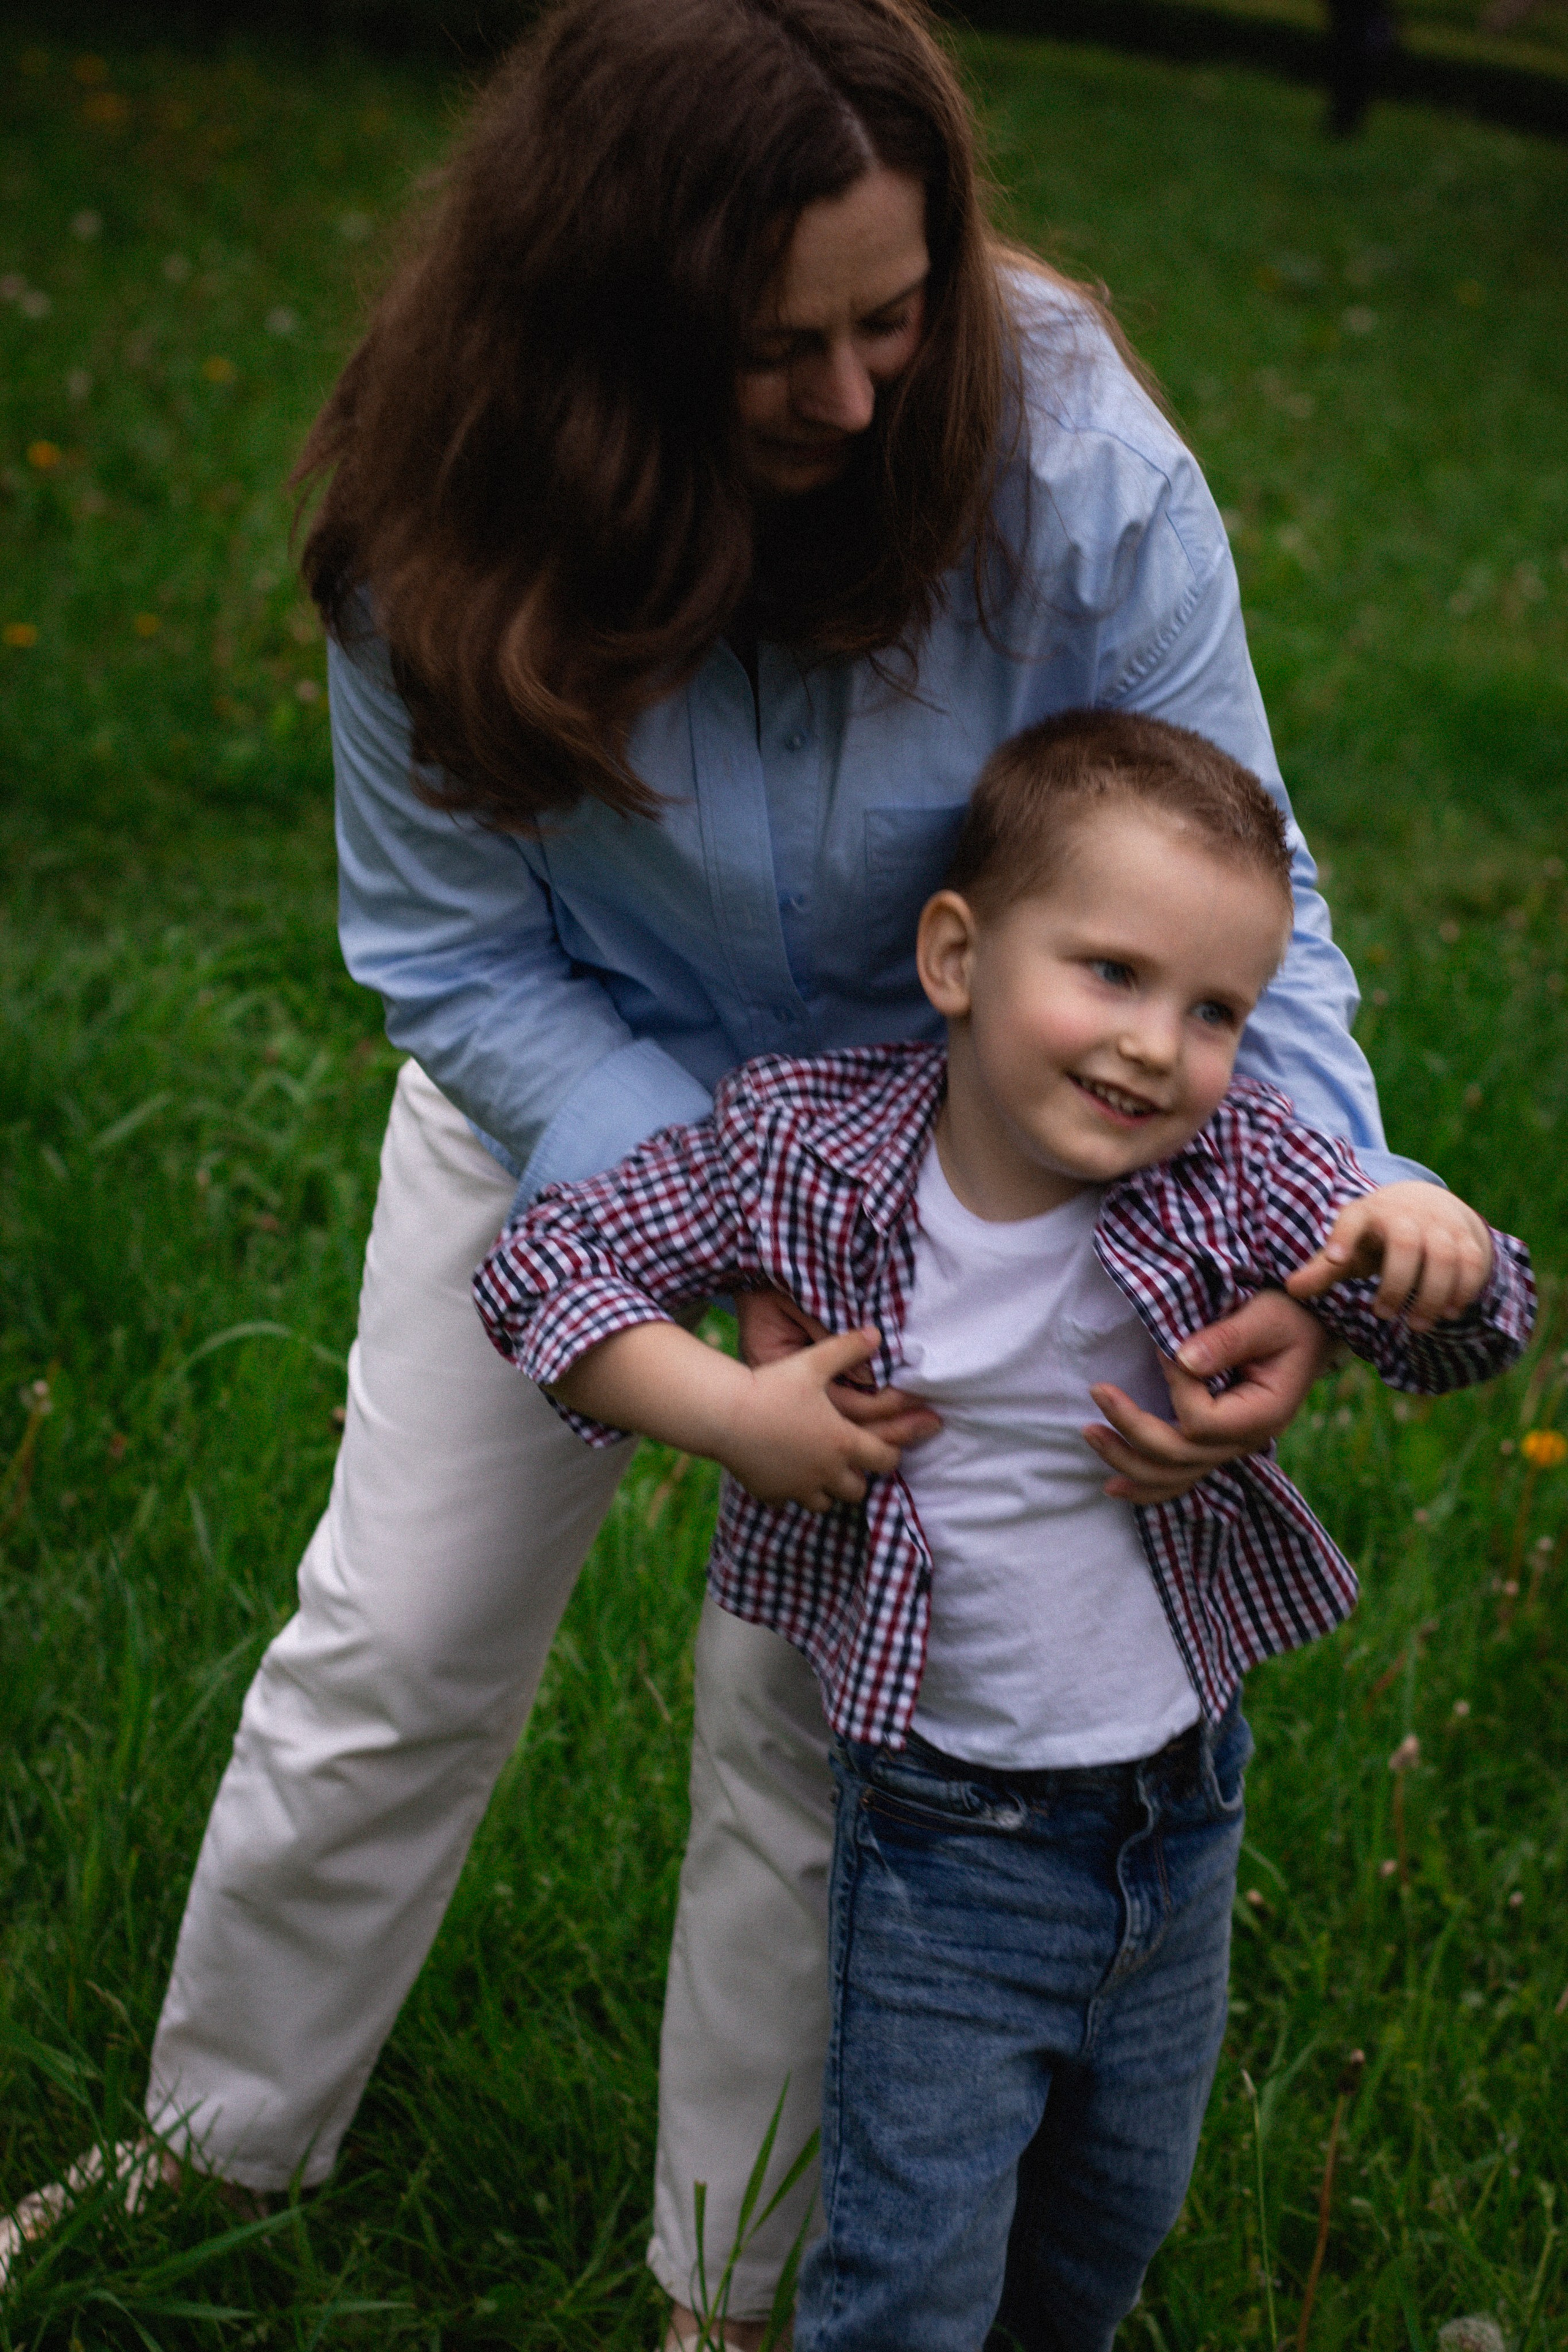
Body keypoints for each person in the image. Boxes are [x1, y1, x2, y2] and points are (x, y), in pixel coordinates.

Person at [0, 0, 1443, 2332]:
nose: (859, 398)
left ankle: (731, 2284)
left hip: (975, 1141)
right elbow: (454, 955)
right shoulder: (441, 501)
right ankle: (215, 2140)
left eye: (898, 317)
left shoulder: (1074, 451)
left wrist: (1321, 1228)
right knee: (399, 1637)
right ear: (608, 326)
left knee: (813, 1715)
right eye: (781, 347)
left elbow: (1235, 880)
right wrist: (736, 1210)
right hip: (572, 1098)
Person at [472, 710, 1534, 2351]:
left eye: (1215, 1011)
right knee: (914, 2252)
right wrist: (735, 1417)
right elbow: (543, 1266)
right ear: (956, 957)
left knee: (1107, 2225)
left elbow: (1463, 1339)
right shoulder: (807, 1150)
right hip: (943, 1837)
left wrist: (1429, 1233)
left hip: (1179, 1815)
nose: (1156, 1048)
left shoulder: (1235, 1166)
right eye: (1111, 973)